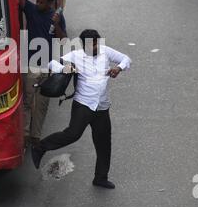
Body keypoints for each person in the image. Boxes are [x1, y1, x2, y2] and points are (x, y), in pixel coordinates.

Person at [31, 29, 131, 189]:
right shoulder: (76, 55)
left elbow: (126, 58)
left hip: (102, 107)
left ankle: (100, 178)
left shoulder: (105, 52)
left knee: (104, 143)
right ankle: (40, 147)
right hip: (83, 105)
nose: (96, 46)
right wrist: (67, 68)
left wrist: (118, 68)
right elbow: (51, 63)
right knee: (72, 134)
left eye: (97, 42)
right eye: (92, 44)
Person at [18, 0, 67, 148]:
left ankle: (35, 137)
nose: (37, 3)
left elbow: (63, 40)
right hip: (32, 66)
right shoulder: (31, 9)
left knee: (42, 103)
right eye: (37, 0)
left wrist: (56, 23)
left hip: (47, 67)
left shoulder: (58, 17)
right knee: (27, 101)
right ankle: (25, 134)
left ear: (50, 3)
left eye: (41, 1)